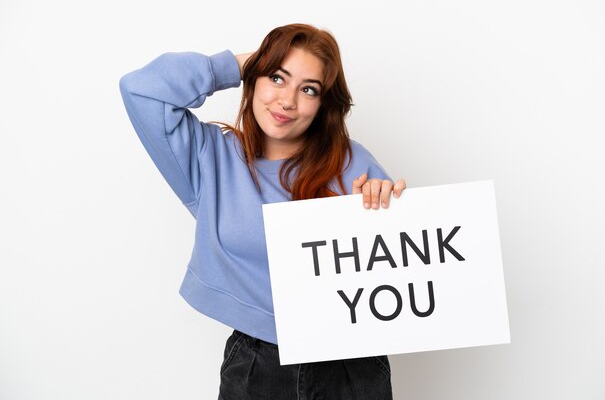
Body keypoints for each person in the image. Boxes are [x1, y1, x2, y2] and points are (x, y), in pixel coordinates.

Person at [119, 23, 405, 400]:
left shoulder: (353, 162)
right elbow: (141, 90)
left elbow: (399, 271)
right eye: (276, 77)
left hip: (349, 364)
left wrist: (383, 206)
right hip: (258, 364)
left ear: (322, 105)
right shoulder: (211, 157)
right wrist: (238, 65)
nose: (287, 101)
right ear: (254, 81)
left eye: (308, 89)